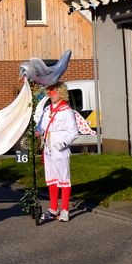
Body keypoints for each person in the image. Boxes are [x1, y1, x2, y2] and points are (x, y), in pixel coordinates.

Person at [36, 82, 78, 222]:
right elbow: (42, 125)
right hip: (48, 149)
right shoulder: (47, 109)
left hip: (60, 149)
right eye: (49, 91)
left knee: (63, 179)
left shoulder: (66, 111)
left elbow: (73, 132)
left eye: (53, 91)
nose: (50, 94)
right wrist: (39, 131)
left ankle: (65, 210)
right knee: (51, 178)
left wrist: (62, 143)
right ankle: (53, 208)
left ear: (61, 92)